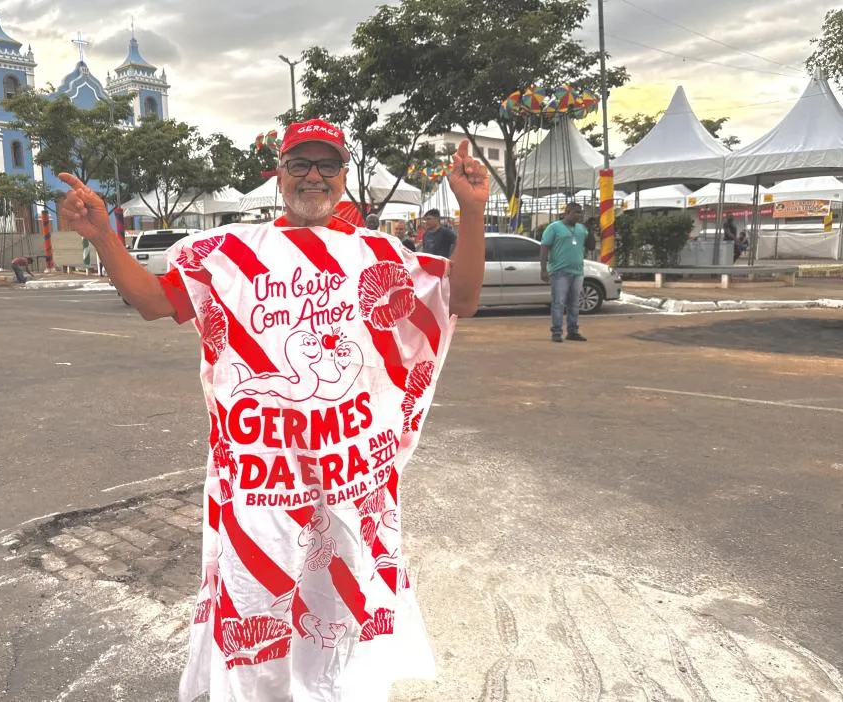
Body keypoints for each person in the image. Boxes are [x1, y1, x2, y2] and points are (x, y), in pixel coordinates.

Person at [57, 117, 489, 702]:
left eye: (327, 165)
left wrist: (472, 212)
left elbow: (462, 297)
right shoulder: (230, 252)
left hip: (349, 484)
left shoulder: (378, 254)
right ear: (279, 175)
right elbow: (154, 301)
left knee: (344, 610)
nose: (314, 176)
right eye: (299, 164)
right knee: (257, 609)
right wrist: (103, 237)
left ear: (344, 175)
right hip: (261, 487)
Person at [541, 202, 588, 343]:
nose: (579, 215)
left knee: (574, 303)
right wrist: (543, 269)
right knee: (558, 303)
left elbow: (590, 245)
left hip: (577, 272)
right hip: (560, 271)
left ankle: (572, 331)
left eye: (581, 212)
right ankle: (556, 332)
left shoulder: (581, 229)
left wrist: (589, 229)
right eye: (576, 212)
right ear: (567, 212)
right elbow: (544, 247)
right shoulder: (554, 227)